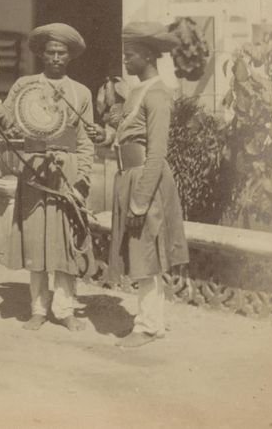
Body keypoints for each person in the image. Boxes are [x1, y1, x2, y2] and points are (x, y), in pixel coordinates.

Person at [0, 23, 95, 331]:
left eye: (62, 53)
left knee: (66, 242)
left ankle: (65, 308)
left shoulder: (80, 92)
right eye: (51, 52)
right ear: (42, 54)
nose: (56, 58)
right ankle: (39, 308)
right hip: (33, 171)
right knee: (36, 239)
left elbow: (84, 141)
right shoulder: (25, 86)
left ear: (70, 57)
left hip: (66, 173)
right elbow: (8, 123)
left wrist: (82, 178)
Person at [86, 22, 189, 348]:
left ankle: (148, 326)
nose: (125, 62)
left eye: (129, 55)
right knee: (140, 252)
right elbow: (128, 137)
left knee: (145, 253)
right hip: (130, 175)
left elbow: (156, 153)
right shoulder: (137, 92)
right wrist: (105, 136)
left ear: (146, 55)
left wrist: (140, 202)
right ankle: (152, 319)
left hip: (147, 180)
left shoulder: (158, 95)